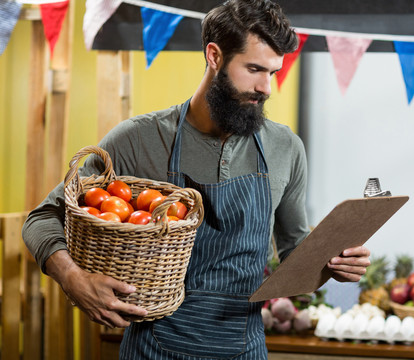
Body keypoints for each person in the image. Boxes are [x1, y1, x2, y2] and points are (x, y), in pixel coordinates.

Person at [22, 0, 371, 358]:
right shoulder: (140, 139)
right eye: (253, 69)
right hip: (153, 347)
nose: (265, 87)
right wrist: (73, 279)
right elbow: (42, 218)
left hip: (244, 348)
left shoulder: (285, 148)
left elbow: (294, 250)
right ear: (214, 56)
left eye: (272, 72)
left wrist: (331, 264)